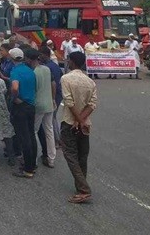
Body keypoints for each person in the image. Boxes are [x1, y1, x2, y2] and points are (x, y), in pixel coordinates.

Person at [60, 52, 97, 204]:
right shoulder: (90, 82)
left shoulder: (66, 78)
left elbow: (68, 102)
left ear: (73, 62)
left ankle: (84, 189)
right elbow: (92, 104)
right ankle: (80, 187)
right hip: (85, 125)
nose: (67, 61)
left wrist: (77, 120)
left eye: (69, 60)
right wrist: (82, 120)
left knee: (71, 156)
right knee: (82, 156)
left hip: (69, 122)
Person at [9, 48, 37, 178]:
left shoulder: (15, 71)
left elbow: (15, 87)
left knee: (24, 138)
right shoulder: (30, 71)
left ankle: (28, 169)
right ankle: (32, 164)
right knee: (31, 135)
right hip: (31, 105)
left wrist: (14, 98)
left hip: (21, 106)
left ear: (12, 58)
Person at [29, 49, 57, 168]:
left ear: (29, 59)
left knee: (33, 131)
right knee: (49, 131)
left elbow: (33, 90)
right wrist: (53, 99)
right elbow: (53, 84)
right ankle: (51, 159)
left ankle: (33, 159)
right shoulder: (46, 69)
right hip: (49, 103)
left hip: (38, 105)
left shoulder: (33, 72)